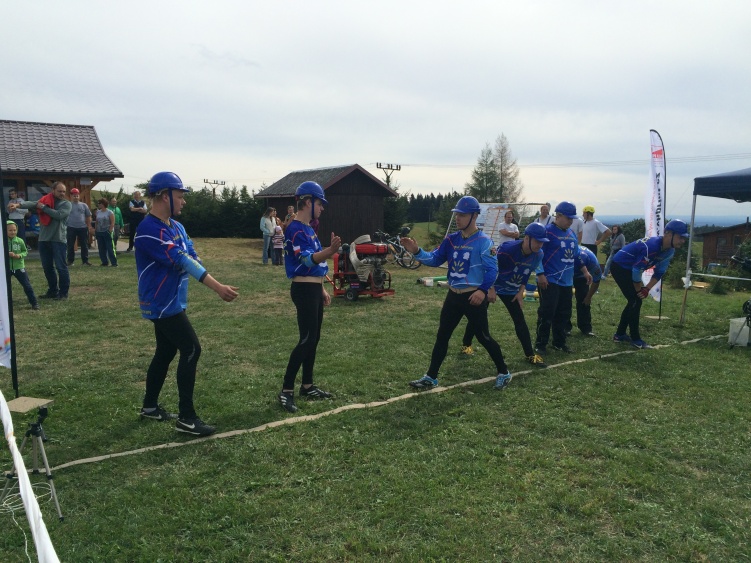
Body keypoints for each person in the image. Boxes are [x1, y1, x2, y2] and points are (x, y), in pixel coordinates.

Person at [136, 171, 239, 436]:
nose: (184, 201)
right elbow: (182, 259)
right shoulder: (149, 229)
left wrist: (194, 263)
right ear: (164, 196)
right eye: (180, 196)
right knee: (192, 349)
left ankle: (149, 406)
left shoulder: (177, 227)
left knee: (165, 351)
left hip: (173, 301)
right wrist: (217, 287)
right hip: (161, 303)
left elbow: (191, 254)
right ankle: (187, 418)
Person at [401, 196, 513, 391]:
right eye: (456, 214)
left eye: (462, 215)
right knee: (442, 336)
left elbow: (492, 270)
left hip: (473, 297)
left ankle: (504, 372)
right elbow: (435, 259)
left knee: (483, 337)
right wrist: (417, 251)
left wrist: (482, 291)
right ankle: (431, 377)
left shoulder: (484, 242)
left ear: (474, 216)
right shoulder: (451, 240)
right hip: (453, 296)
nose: (457, 218)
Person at [278, 181, 341, 413]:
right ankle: (286, 390)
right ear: (307, 202)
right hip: (303, 290)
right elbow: (306, 260)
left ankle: (307, 385)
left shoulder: (309, 229)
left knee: (314, 339)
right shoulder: (295, 229)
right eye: (320, 203)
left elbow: (315, 266)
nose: (322, 208)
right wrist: (329, 251)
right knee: (306, 339)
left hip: (313, 289)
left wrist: (321, 288)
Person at [461, 222, 550, 369]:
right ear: (527, 238)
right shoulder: (507, 249)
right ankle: (466, 345)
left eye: (542, 242)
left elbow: (526, 273)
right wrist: (490, 289)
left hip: (511, 290)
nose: (540, 245)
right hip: (491, 284)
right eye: (537, 241)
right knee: (478, 316)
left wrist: (520, 292)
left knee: (519, 320)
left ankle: (530, 354)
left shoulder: (538, 254)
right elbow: (489, 267)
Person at [610, 219, 689, 349]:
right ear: (669, 234)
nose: (683, 241)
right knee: (636, 300)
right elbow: (636, 271)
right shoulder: (651, 247)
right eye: (680, 237)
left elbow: (659, 272)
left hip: (631, 269)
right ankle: (635, 339)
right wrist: (639, 290)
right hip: (620, 266)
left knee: (634, 301)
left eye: (684, 238)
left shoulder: (670, 251)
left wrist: (646, 289)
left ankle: (620, 335)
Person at [535, 201, 592, 354]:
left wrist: (585, 271)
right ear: (558, 216)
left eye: (572, 218)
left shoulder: (571, 233)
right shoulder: (547, 232)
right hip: (549, 280)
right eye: (568, 218)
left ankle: (559, 342)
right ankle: (540, 344)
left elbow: (576, 255)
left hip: (567, 281)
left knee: (564, 313)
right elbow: (537, 254)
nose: (571, 221)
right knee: (547, 313)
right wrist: (540, 274)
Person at [10, 181, 71, 300]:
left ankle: (63, 294)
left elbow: (58, 215)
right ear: (53, 190)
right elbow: (33, 203)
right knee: (47, 267)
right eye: (59, 191)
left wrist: (42, 207)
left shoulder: (66, 204)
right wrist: (18, 205)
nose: (62, 193)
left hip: (58, 240)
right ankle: (53, 291)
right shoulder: (45, 200)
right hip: (43, 240)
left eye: (64, 191)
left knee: (61, 267)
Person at [568, 245, 602, 337]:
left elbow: (596, 281)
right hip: (566, 274)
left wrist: (588, 297)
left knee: (584, 300)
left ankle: (586, 328)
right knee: (565, 301)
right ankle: (565, 327)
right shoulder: (567, 255)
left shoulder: (593, 262)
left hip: (582, 277)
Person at [6, 221, 39, 310]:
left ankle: (34, 303)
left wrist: (19, 255)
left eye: (14, 230)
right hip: (7, 268)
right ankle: (5, 303)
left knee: (27, 285)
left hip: (19, 267)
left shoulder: (20, 241)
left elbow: (25, 251)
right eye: (10, 230)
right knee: (4, 286)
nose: (13, 232)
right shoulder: (3, 242)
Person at [66, 188, 92, 266]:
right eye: (74, 196)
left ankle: (85, 261)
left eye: (77, 196)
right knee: (70, 245)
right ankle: (70, 261)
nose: (76, 197)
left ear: (79, 196)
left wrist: (89, 226)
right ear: (71, 196)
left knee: (84, 245)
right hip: (71, 227)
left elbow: (88, 216)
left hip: (82, 227)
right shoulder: (68, 205)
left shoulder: (84, 205)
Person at [94, 198, 118, 267]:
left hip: (107, 232)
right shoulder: (98, 212)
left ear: (103, 204)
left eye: (99, 203)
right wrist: (96, 230)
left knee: (110, 248)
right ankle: (104, 262)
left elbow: (112, 222)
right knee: (101, 248)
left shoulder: (109, 212)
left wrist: (109, 231)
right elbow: (97, 222)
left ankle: (114, 263)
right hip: (99, 232)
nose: (98, 204)